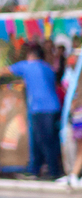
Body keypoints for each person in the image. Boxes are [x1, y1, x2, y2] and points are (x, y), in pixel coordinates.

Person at [7, 44, 63, 179]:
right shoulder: (48, 68)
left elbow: (5, 71)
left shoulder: (27, 65)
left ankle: (51, 171)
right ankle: (39, 169)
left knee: (43, 141)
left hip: (40, 108)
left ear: (31, 54)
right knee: (47, 140)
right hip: (53, 107)